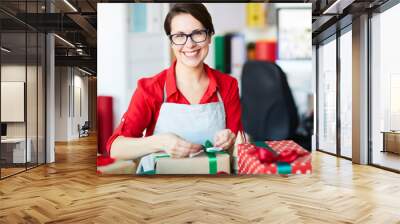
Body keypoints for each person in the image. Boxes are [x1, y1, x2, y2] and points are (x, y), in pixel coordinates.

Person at [107, 3, 243, 160]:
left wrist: (230, 139)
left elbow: (238, 145)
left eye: (198, 33)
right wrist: (160, 142)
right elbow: (115, 148)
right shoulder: (150, 89)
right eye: (179, 36)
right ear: (171, 42)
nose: (190, 44)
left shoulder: (228, 85)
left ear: (210, 36)